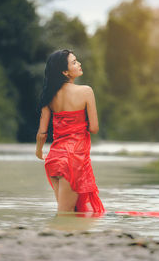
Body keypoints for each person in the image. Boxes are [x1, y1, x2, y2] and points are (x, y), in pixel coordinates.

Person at [36, 49, 105, 214]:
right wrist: (78, 124)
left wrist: (39, 151)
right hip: (73, 159)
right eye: (74, 62)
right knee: (66, 213)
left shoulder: (48, 96)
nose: (79, 63)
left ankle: (58, 236)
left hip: (54, 159)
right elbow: (94, 128)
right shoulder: (86, 91)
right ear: (65, 72)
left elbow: (42, 133)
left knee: (69, 211)